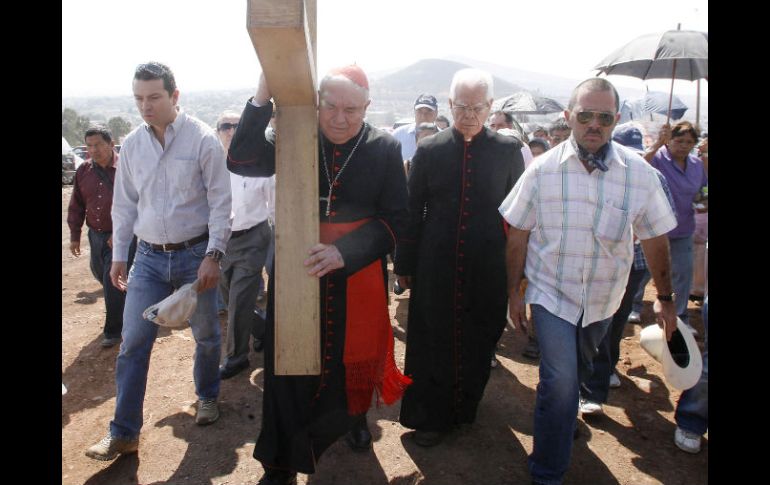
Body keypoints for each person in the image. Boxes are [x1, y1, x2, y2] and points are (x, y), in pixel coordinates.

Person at [227, 65, 411, 485]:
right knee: (287, 366)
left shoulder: (382, 148)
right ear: (316, 104)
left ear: (368, 108)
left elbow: (396, 221)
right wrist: (262, 97)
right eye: (331, 106)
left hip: (356, 271)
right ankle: (280, 461)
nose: (341, 118)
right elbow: (241, 160)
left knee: (350, 357)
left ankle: (353, 417)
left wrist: (344, 252)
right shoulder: (294, 134)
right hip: (298, 265)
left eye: (352, 109)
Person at [499, 77, 678, 485]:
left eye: (604, 117)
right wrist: (514, 291)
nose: (594, 124)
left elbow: (654, 237)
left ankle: (564, 418)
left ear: (615, 120)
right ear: (568, 117)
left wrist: (665, 299)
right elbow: (518, 233)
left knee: (576, 373)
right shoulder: (542, 170)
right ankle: (547, 472)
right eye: (585, 115)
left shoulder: (638, 174)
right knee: (559, 382)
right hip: (551, 294)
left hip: (604, 299)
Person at [85, 61, 232, 461]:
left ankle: (206, 397)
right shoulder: (132, 145)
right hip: (147, 259)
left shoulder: (202, 140)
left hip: (195, 258)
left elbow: (221, 203)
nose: (145, 106)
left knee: (205, 335)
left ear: (174, 96)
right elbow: (125, 205)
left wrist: (213, 255)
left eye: (154, 97)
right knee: (133, 343)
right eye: (139, 99)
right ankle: (124, 432)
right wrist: (119, 256)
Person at [394, 68, 525, 447]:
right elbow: (412, 208)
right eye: (462, 106)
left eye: (478, 106)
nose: (469, 114)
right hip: (435, 264)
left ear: (490, 107)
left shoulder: (507, 150)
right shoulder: (430, 149)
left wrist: (516, 271)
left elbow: (518, 214)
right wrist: (404, 263)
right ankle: (431, 416)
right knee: (431, 339)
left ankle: (466, 407)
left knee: (479, 339)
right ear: (449, 105)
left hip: (487, 265)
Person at [579, 123, 677, 415]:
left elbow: (660, 229)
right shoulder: (590, 174)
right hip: (597, 265)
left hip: (634, 266)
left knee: (615, 321)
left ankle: (598, 381)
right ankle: (587, 382)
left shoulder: (652, 178)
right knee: (592, 323)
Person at [215, 111, 275, 379]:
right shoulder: (209, 165)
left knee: (239, 299)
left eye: (236, 126)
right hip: (221, 242)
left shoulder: (260, 165)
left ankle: (236, 357)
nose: (229, 131)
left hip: (253, 238)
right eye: (224, 126)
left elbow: (274, 208)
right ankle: (263, 329)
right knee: (230, 298)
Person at [68, 125, 137, 348]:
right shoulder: (83, 171)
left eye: (98, 144)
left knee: (112, 280)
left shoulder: (126, 169)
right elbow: (77, 205)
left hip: (122, 235)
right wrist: (75, 235)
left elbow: (139, 203)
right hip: (95, 235)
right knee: (100, 273)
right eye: (89, 146)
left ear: (110, 143)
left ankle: (114, 330)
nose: (93, 150)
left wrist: (121, 233)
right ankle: (132, 308)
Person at [644, 121, 708, 334]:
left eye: (689, 142)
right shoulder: (659, 159)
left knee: (683, 272)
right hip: (654, 228)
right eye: (679, 140)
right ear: (669, 140)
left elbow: (703, 189)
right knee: (642, 272)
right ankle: (634, 306)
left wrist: (703, 200)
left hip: (683, 226)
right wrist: (656, 145)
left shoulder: (697, 164)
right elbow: (641, 167)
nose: (683, 145)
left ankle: (680, 317)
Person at [391, 93, 439, 161]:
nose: (423, 116)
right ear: (414, 111)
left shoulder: (444, 139)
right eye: (419, 111)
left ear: (436, 113)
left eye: (429, 111)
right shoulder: (398, 136)